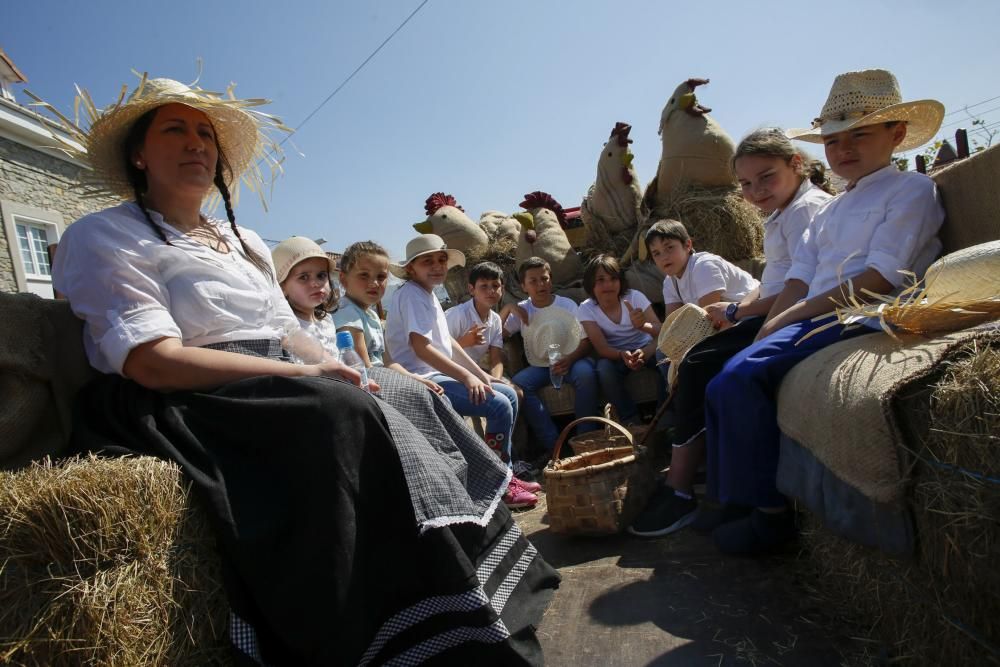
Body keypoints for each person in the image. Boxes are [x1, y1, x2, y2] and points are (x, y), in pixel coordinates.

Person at [47, 74, 558, 665]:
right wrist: (301, 377)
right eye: (174, 129)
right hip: (196, 390)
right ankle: (374, 630)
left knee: (400, 390)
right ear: (139, 153)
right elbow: (151, 360)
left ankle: (473, 588)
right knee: (342, 412)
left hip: (274, 373)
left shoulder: (242, 243)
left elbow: (286, 331)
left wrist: (335, 365)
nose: (196, 143)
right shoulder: (105, 234)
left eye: (205, 134)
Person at [704, 68, 945, 555]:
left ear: (896, 134)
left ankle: (769, 518)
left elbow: (881, 275)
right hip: (819, 313)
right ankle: (732, 497)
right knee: (721, 373)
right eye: (834, 141)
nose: (843, 149)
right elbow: (801, 277)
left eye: (860, 135)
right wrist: (770, 323)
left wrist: (790, 319)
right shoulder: (833, 208)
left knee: (735, 380)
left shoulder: (911, 191)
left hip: (862, 312)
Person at [629, 130, 834, 538]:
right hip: (762, 309)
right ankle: (712, 486)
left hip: (785, 313)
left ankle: (684, 487)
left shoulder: (807, 211)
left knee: (702, 364)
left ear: (796, 164)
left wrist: (746, 313)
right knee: (684, 364)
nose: (754, 191)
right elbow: (770, 281)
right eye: (745, 183)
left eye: (765, 177)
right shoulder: (781, 215)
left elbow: (800, 286)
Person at [385, 234, 541, 508]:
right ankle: (497, 485)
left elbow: (450, 345)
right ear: (411, 268)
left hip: (436, 371)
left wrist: (481, 374)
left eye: (441, 260)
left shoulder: (428, 294)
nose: (437, 266)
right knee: (499, 405)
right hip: (421, 377)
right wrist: (467, 376)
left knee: (509, 394)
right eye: (427, 262)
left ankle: (504, 473)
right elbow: (421, 348)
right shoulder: (411, 295)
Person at [502, 257, 599, 466]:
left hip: (572, 359)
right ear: (523, 286)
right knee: (519, 384)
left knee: (586, 374)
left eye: (544, 279)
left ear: (551, 279)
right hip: (540, 365)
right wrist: (508, 308)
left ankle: (585, 439)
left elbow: (586, 339)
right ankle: (554, 445)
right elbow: (497, 335)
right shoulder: (522, 309)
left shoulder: (567, 305)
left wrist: (570, 358)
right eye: (533, 281)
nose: (540, 285)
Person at [577, 254, 664, 426]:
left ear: (620, 281)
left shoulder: (634, 297)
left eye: (613, 278)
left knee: (666, 358)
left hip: (646, 347)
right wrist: (622, 355)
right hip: (617, 355)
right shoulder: (586, 309)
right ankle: (630, 420)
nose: (608, 285)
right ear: (591, 284)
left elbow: (661, 331)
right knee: (603, 368)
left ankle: (663, 417)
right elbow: (601, 348)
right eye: (601, 280)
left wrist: (645, 344)